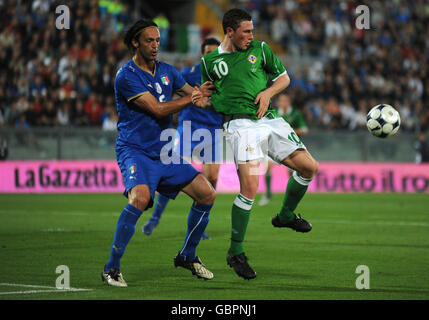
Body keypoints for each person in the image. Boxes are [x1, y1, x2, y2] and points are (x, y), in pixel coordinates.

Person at [193, 8, 318, 280]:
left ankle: (285, 215)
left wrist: (267, 92)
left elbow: (284, 79)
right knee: (250, 187)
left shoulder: (261, 49)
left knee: (309, 168)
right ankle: (235, 252)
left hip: (269, 119)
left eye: (252, 30)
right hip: (239, 125)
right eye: (246, 31)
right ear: (230, 31)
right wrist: (203, 99)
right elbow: (207, 96)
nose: (251, 35)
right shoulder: (209, 62)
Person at [101, 19, 216, 287]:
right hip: (136, 151)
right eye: (149, 41)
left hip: (165, 152)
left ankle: (187, 255)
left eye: (157, 41)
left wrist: (219, 94)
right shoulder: (126, 76)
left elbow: (200, 98)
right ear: (135, 42)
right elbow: (158, 109)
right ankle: (111, 269)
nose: (155, 46)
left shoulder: (167, 71)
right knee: (140, 198)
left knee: (207, 193)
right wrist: (194, 98)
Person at [142, 37, 222, 239]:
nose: (211, 56)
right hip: (189, 126)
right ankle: (155, 219)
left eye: (216, 53)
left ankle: (198, 225)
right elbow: (169, 95)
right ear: (202, 55)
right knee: (173, 173)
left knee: (212, 178)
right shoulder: (189, 74)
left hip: (213, 131)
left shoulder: (228, 78)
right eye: (208, 52)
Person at [259, 91, 309, 206]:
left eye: (284, 100)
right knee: (267, 168)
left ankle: (292, 195)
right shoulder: (275, 113)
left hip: (292, 147)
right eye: (280, 100)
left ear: (289, 102)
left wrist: (288, 131)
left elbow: (304, 130)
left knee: (291, 173)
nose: (282, 103)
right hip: (276, 146)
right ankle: (268, 194)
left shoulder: (296, 114)